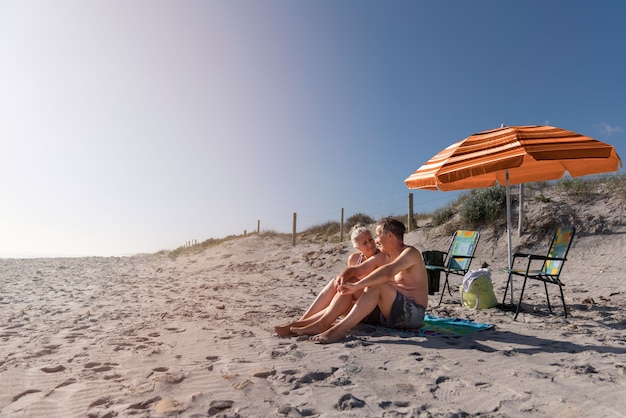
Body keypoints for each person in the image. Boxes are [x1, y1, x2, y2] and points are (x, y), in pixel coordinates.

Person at [310, 216, 428, 344]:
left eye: (377, 235)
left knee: (377, 284)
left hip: (413, 315)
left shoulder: (410, 253)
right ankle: (313, 322)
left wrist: (357, 285)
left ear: (389, 235)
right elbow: (355, 270)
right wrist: (342, 278)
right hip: (388, 314)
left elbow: (387, 272)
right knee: (348, 283)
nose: (376, 241)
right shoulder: (384, 256)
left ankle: (339, 330)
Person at [274, 225, 379, 337]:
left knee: (348, 286)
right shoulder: (354, 259)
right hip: (349, 306)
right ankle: (304, 321)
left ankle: (304, 324)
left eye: (370, 240)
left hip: (367, 308)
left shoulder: (381, 257)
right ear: (357, 247)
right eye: (365, 243)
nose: (370, 244)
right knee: (338, 282)